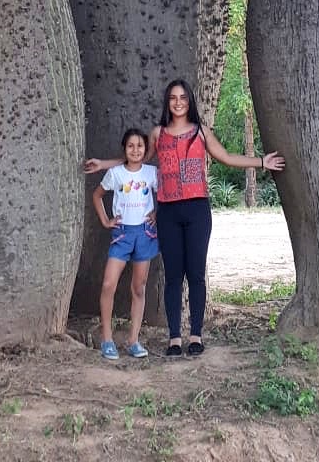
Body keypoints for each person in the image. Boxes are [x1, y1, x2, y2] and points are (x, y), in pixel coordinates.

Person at [85, 80, 284, 357]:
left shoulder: (200, 132)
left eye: (182, 98)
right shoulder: (158, 133)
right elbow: (135, 161)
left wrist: (261, 162)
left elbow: (225, 156)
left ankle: (195, 335)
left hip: (197, 210)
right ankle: (175, 338)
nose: (178, 102)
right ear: (167, 102)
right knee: (173, 276)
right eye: (173, 98)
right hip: (167, 212)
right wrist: (104, 165)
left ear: (189, 101)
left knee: (196, 274)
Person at [92, 128, 159, 361]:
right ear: (124, 149)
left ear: (145, 149)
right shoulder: (116, 173)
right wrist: (105, 220)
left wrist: (157, 214)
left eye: (140, 145)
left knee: (138, 288)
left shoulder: (152, 173)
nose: (135, 150)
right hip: (121, 235)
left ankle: (133, 340)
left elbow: (166, 196)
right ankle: (107, 339)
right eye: (130, 146)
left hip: (145, 233)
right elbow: (97, 195)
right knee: (109, 284)